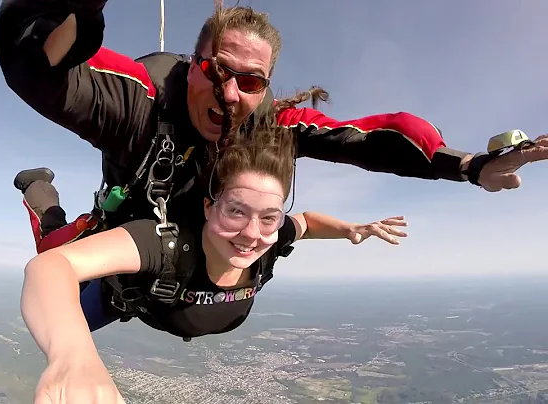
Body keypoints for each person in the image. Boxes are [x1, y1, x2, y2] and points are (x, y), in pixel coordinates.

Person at [0, 0, 547, 253]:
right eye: (215, 71)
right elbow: (43, 70)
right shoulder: (142, 102)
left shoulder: (269, 126)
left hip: (201, 244)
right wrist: (67, 12)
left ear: (265, 87)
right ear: (192, 67)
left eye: (250, 82)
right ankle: (38, 190)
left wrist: (469, 167)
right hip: (129, 230)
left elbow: (371, 139)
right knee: (55, 256)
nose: (229, 93)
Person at [21, 113, 409, 403]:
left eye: (268, 218)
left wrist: (351, 229)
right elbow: (53, 268)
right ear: (209, 207)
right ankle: (39, 189)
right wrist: (73, 357)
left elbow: (305, 222)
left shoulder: (272, 237)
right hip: (122, 298)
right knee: (54, 249)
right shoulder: (166, 243)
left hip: (165, 305)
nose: (251, 234)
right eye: (235, 211)